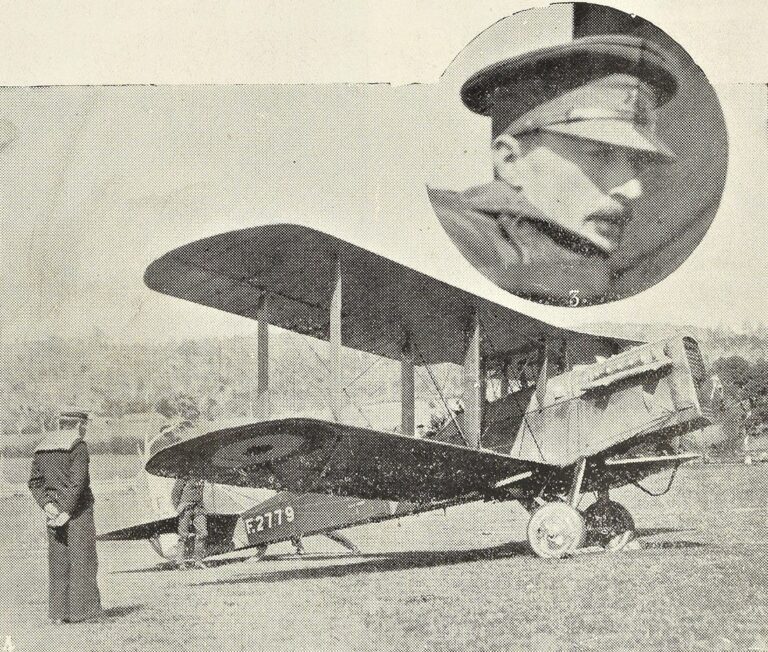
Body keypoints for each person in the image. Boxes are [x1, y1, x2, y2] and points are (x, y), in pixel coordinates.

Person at [428, 35, 680, 306]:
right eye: (600, 153)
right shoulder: (456, 234)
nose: (633, 189)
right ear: (510, 161)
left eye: (636, 162)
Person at [28, 411, 102, 623]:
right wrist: (66, 511)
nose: (85, 428)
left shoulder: (41, 447)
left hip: (53, 512)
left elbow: (34, 482)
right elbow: (78, 482)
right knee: (84, 559)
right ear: (78, 424)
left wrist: (47, 504)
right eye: (85, 424)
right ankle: (86, 613)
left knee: (58, 562)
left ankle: (59, 615)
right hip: (78, 512)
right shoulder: (78, 446)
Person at [171, 476, 208, 569]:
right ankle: (180, 563)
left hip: (199, 508)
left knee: (202, 533)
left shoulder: (202, 475)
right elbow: (175, 493)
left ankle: (198, 562)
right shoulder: (184, 475)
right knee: (183, 535)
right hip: (186, 508)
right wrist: (178, 507)